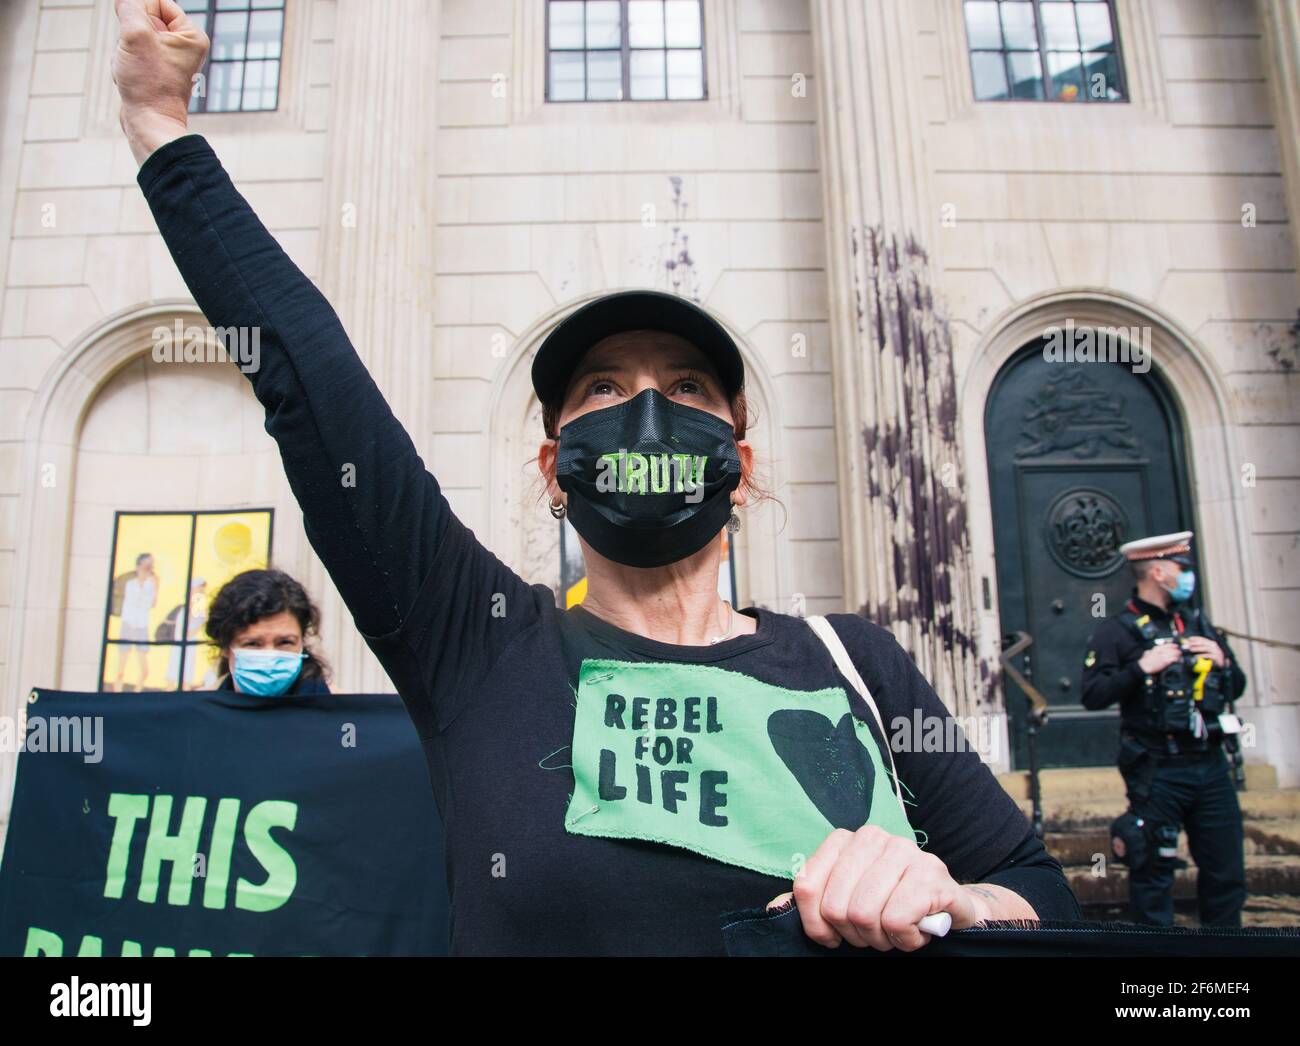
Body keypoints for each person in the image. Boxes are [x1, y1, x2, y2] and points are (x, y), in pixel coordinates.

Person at [111, 0, 1079, 955]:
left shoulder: (856, 663)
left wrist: (952, 895)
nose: (647, 409)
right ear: (553, 466)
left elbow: (1039, 891)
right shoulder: (480, 646)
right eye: (604, 386)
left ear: (739, 465)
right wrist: (161, 125)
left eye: (688, 383)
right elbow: (309, 378)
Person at [1081, 531, 1248, 926]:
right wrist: (1142, 667)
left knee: (1227, 875)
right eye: (1181, 568)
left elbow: (1236, 686)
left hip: (1211, 766)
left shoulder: (1198, 623)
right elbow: (1093, 694)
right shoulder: (1117, 631)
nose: (1187, 576)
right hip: (1157, 769)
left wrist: (1223, 661)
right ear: (1157, 572)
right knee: (1152, 875)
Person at [204, 569, 331, 697]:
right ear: (225, 647)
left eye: (285, 642)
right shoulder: (201, 712)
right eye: (252, 643)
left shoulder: (335, 712)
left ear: (301, 643)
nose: (270, 656)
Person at [112, 552, 158, 692]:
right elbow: (132, 604)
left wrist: (156, 585)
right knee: (121, 668)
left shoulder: (151, 585)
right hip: (129, 625)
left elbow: (150, 603)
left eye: (151, 565)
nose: (149, 568)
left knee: (144, 670)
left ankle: (136, 695)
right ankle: (116, 695)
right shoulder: (130, 584)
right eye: (146, 565)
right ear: (139, 566)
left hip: (141, 626)